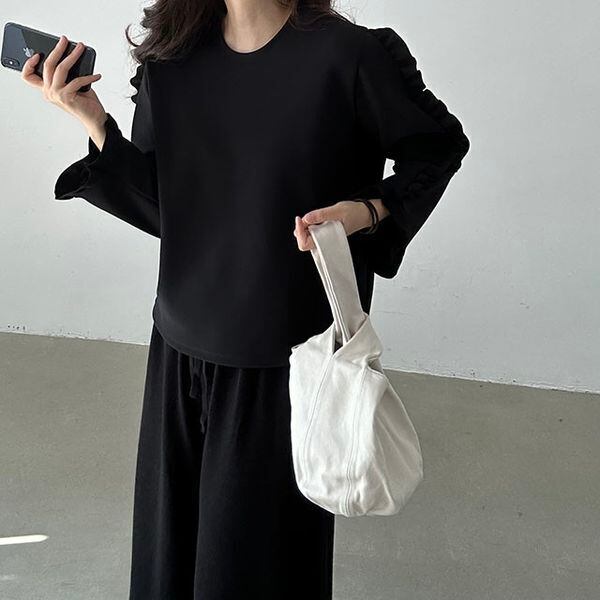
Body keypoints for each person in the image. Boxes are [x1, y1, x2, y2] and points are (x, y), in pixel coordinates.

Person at [23, 1, 469, 598]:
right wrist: (96, 122)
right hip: (178, 349)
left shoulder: (350, 57)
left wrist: (368, 210)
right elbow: (171, 208)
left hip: (284, 363)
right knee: (164, 573)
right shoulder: (171, 57)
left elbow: (437, 147)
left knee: (255, 577)